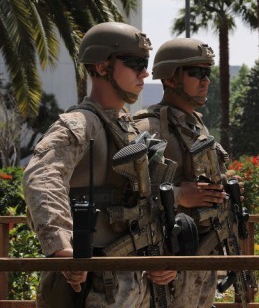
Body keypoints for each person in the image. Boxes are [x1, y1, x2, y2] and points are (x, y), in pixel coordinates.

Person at [22, 21, 177, 307]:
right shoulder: (81, 124)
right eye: (135, 63)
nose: (144, 72)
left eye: (145, 64)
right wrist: (62, 249)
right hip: (96, 284)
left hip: (137, 282)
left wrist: (162, 255)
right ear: (103, 66)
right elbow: (42, 178)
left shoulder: (128, 127)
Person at [134, 38, 228, 308]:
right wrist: (179, 196)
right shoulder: (148, 128)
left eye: (207, 73)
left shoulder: (196, 126)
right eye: (196, 73)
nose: (205, 80)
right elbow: (129, 196)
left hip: (202, 256)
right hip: (167, 263)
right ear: (170, 78)